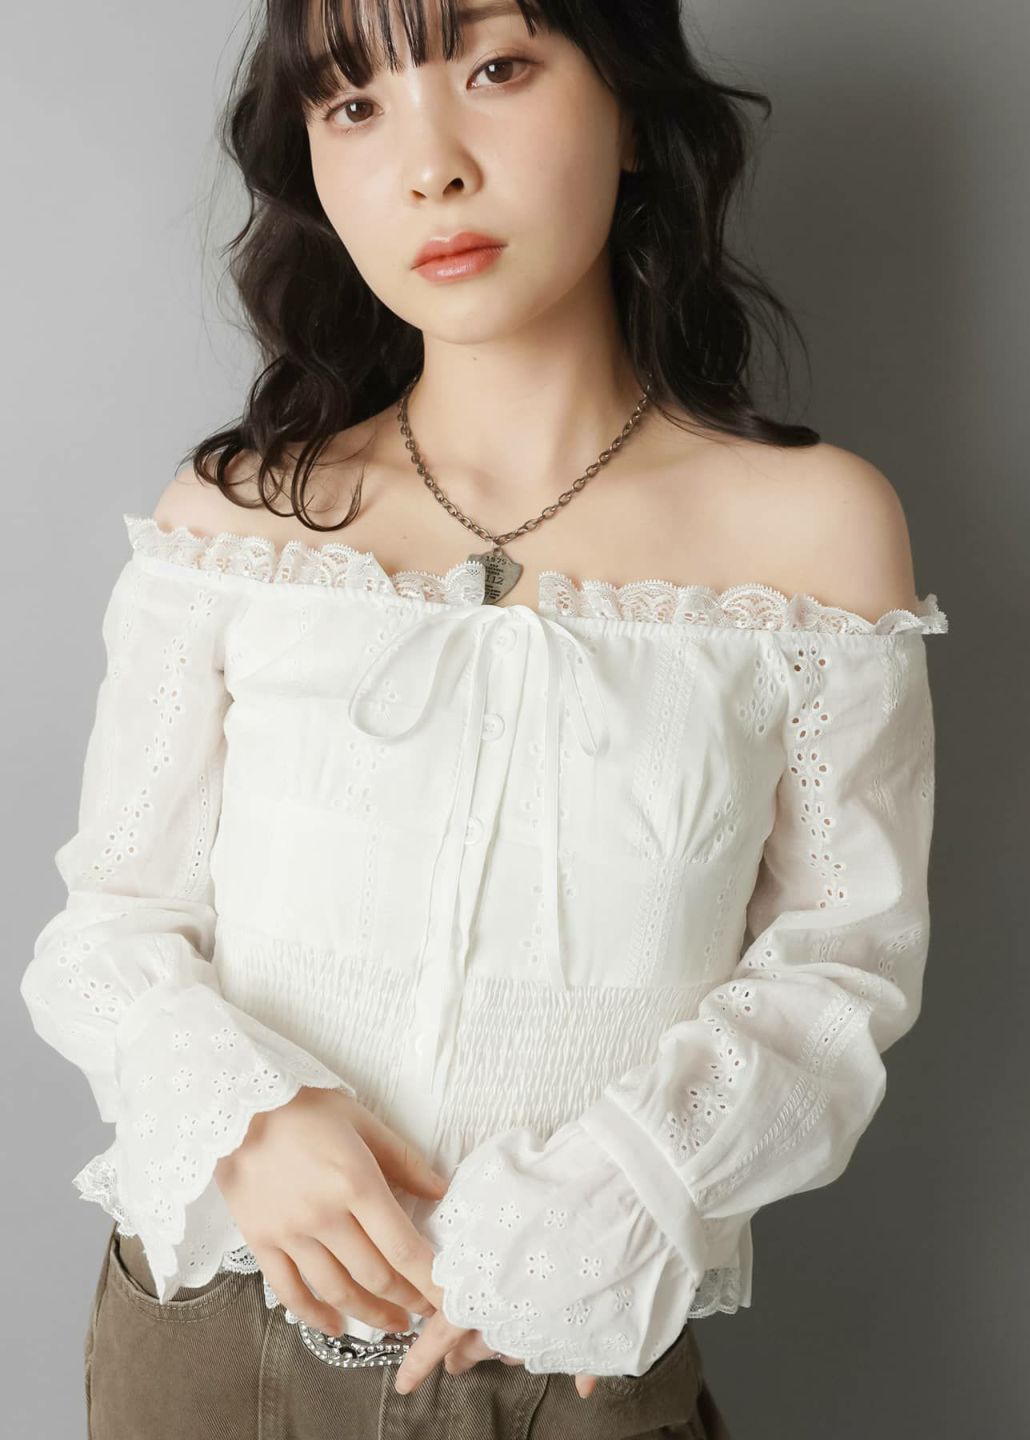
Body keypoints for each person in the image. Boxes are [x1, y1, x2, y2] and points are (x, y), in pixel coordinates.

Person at [20, 0, 950, 1436]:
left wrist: (625, 1190)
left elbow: (846, 964)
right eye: (354, 105)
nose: (431, 165)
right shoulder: (237, 525)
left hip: (574, 1348)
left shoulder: (813, 534)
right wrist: (246, 1119)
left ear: (630, 108)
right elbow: (108, 925)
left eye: (498, 68)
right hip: (212, 1340)